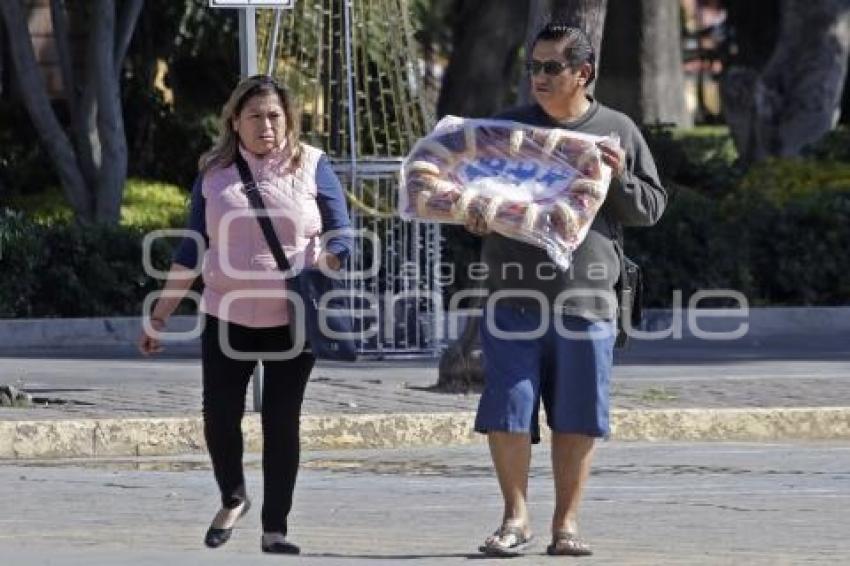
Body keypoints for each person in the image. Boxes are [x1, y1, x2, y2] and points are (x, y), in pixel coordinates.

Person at [467, 24, 667, 557]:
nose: (539, 76)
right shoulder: (505, 128)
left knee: (579, 414)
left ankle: (566, 524)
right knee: (508, 409)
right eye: (532, 66)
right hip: (512, 297)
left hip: (587, 298)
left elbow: (650, 207)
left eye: (551, 67)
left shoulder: (616, 129)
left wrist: (618, 179)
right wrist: (476, 213)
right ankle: (515, 518)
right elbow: (471, 194)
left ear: (584, 73)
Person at [138, 74, 352, 554]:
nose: (266, 125)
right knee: (218, 415)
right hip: (226, 315)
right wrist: (160, 315)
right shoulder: (213, 174)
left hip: (292, 317)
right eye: (254, 116)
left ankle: (275, 528)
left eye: (275, 115)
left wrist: (331, 259)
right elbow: (190, 252)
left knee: (281, 421)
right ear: (235, 121)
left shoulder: (314, 165)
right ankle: (233, 497)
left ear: (289, 119)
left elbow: (342, 229)